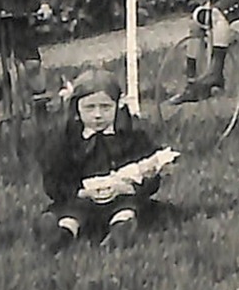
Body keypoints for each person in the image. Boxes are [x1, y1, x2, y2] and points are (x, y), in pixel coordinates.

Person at [35, 70, 174, 251]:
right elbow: (54, 180)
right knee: (71, 214)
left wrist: (129, 187)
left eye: (106, 107)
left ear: (118, 106)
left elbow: (151, 176)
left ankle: (120, 232)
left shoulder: (133, 137)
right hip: (81, 199)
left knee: (128, 209)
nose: (98, 115)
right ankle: (61, 235)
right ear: (76, 107)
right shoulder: (66, 141)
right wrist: (78, 192)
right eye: (90, 108)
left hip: (121, 197)